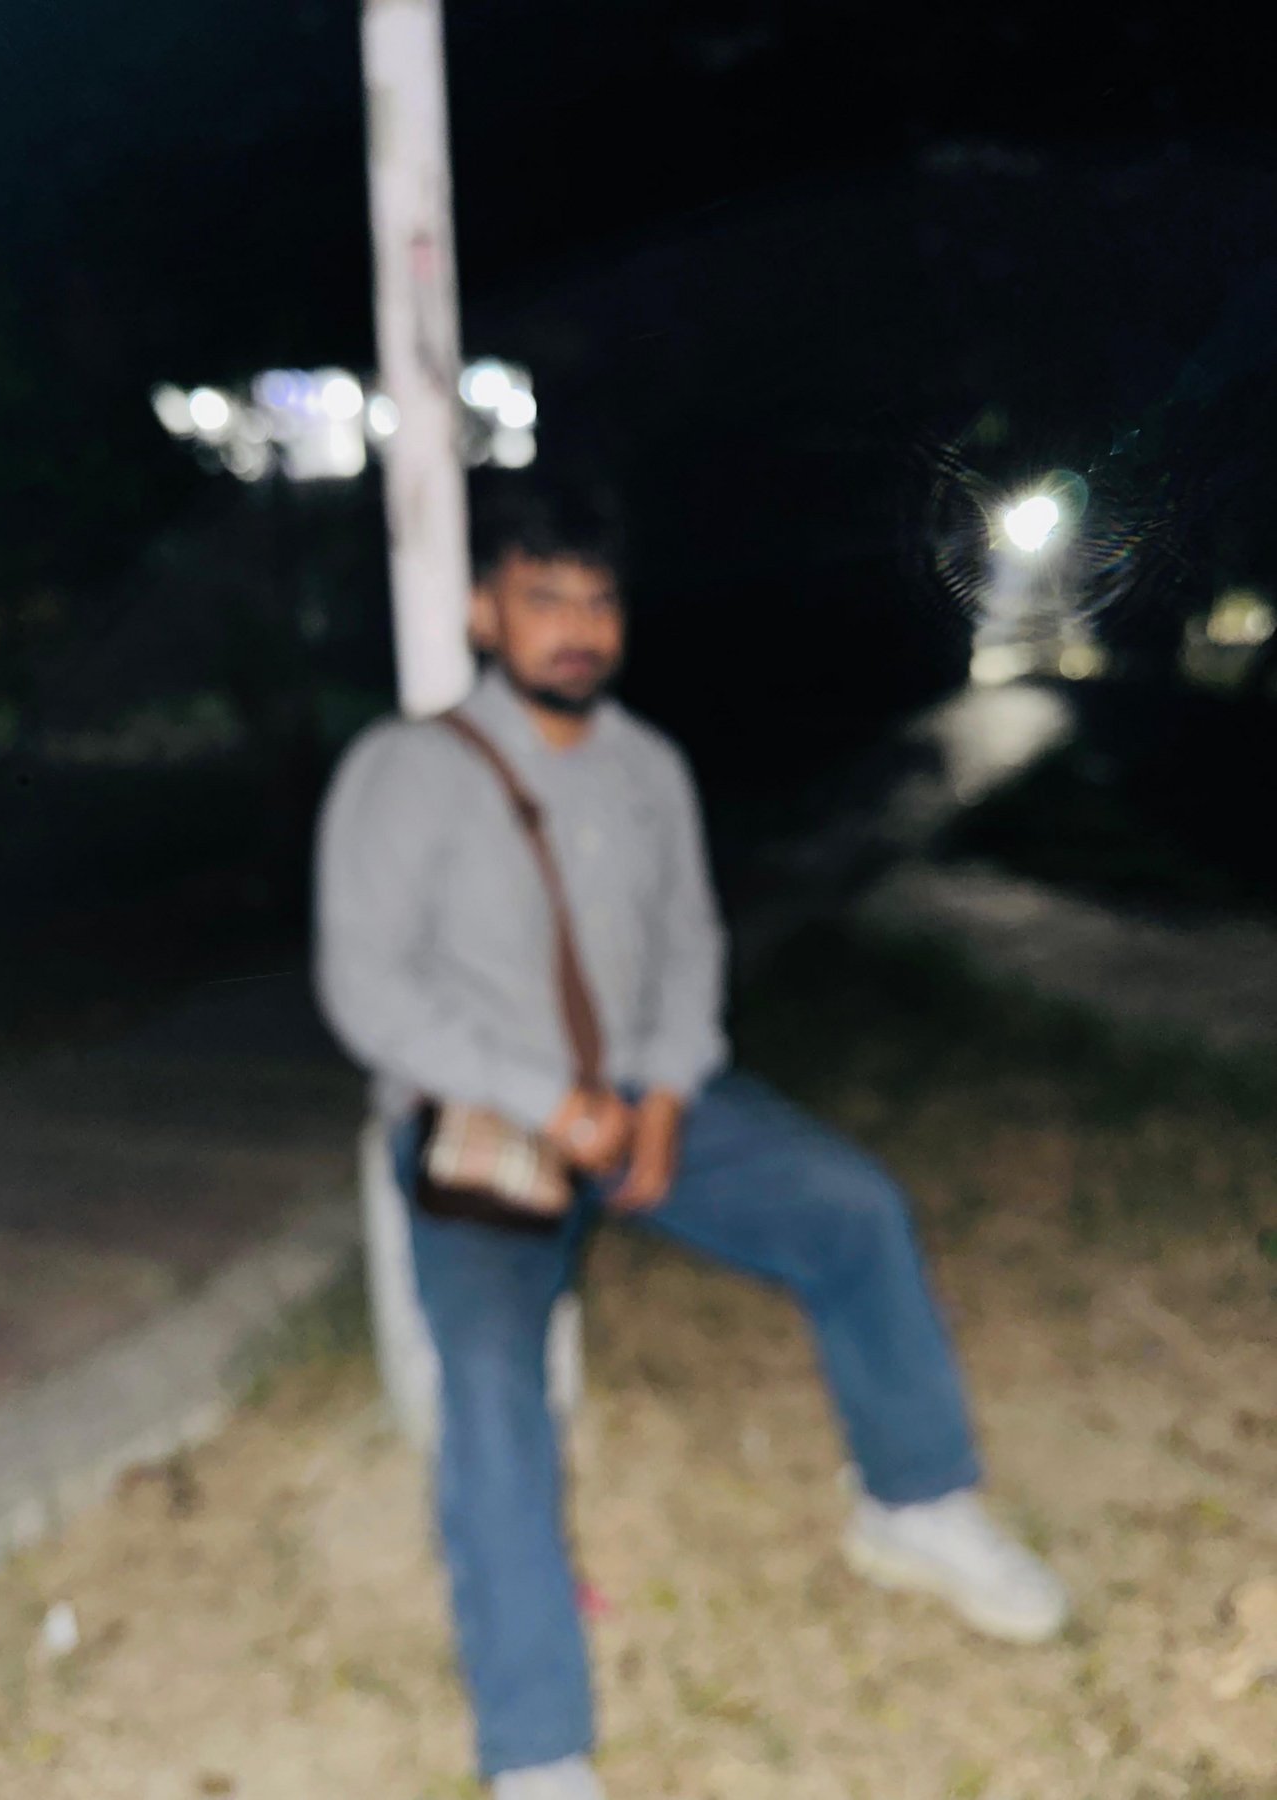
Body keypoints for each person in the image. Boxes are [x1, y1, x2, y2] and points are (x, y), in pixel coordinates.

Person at [314, 477, 1069, 1800]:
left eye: (597, 602)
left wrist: (661, 1100)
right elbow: (367, 991)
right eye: (543, 598)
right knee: (488, 1374)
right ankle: (537, 1751)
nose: (576, 629)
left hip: (639, 1101)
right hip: (483, 1121)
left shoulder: (648, 768)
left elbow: (685, 953)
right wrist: (549, 1104)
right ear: (486, 612)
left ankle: (912, 1503)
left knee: (853, 1210)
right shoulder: (404, 769)